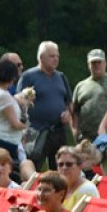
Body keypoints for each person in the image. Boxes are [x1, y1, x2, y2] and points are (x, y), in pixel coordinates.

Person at [18, 41, 72, 170]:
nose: (56, 59)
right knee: (33, 166)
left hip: (58, 131)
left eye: (57, 56)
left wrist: (68, 113)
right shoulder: (28, 76)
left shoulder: (61, 77)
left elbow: (69, 102)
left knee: (61, 169)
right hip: (36, 131)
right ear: (41, 58)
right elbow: (18, 102)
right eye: (52, 56)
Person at [71, 49, 107, 143]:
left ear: (105, 63)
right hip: (86, 138)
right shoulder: (80, 86)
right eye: (93, 63)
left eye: (99, 62)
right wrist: (75, 130)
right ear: (88, 65)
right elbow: (75, 111)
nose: (96, 65)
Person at [0, 56, 28, 166]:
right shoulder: (3, 96)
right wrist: (25, 119)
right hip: (6, 141)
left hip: (4, 139)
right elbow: (15, 124)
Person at [55, 146, 99, 210]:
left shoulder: (87, 189)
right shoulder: (57, 188)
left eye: (69, 164)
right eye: (60, 164)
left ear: (80, 166)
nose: (64, 168)